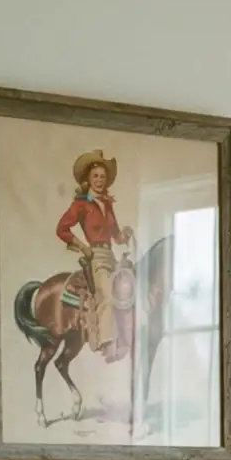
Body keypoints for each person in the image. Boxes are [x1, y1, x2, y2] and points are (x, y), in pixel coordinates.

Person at [56, 149, 134, 360]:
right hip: (96, 256)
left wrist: (124, 236)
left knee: (128, 289)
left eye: (103, 176)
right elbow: (62, 229)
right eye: (96, 176)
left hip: (111, 255)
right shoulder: (81, 204)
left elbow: (116, 235)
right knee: (106, 296)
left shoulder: (107, 205)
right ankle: (107, 343)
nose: (100, 180)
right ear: (88, 180)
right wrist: (83, 247)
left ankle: (128, 339)